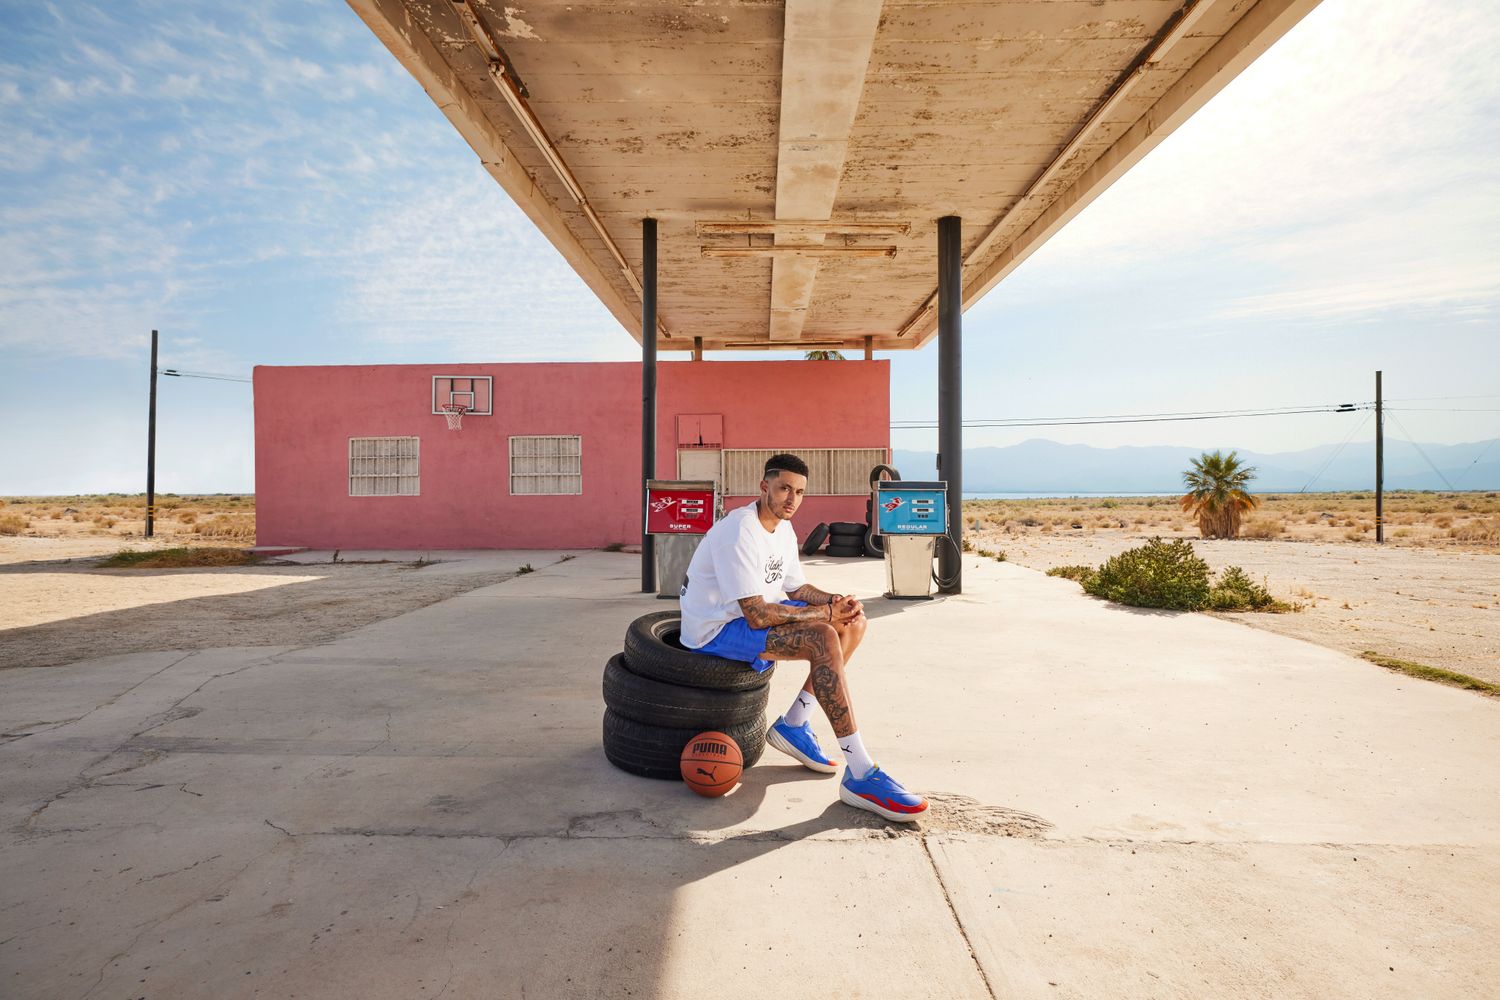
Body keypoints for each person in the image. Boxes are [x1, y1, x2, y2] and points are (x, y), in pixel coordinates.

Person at [679, 453, 928, 822]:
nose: (791, 499)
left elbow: (794, 587)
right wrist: (826, 615)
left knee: (854, 623)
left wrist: (835, 601)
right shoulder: (739, 530)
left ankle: (794, 724)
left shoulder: (782, 528)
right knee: (824, 636)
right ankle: (860, 772)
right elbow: (757, 614)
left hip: (748, 621)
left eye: (799, 492)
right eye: (783, 489)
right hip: (715, 629)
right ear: (764, 487)